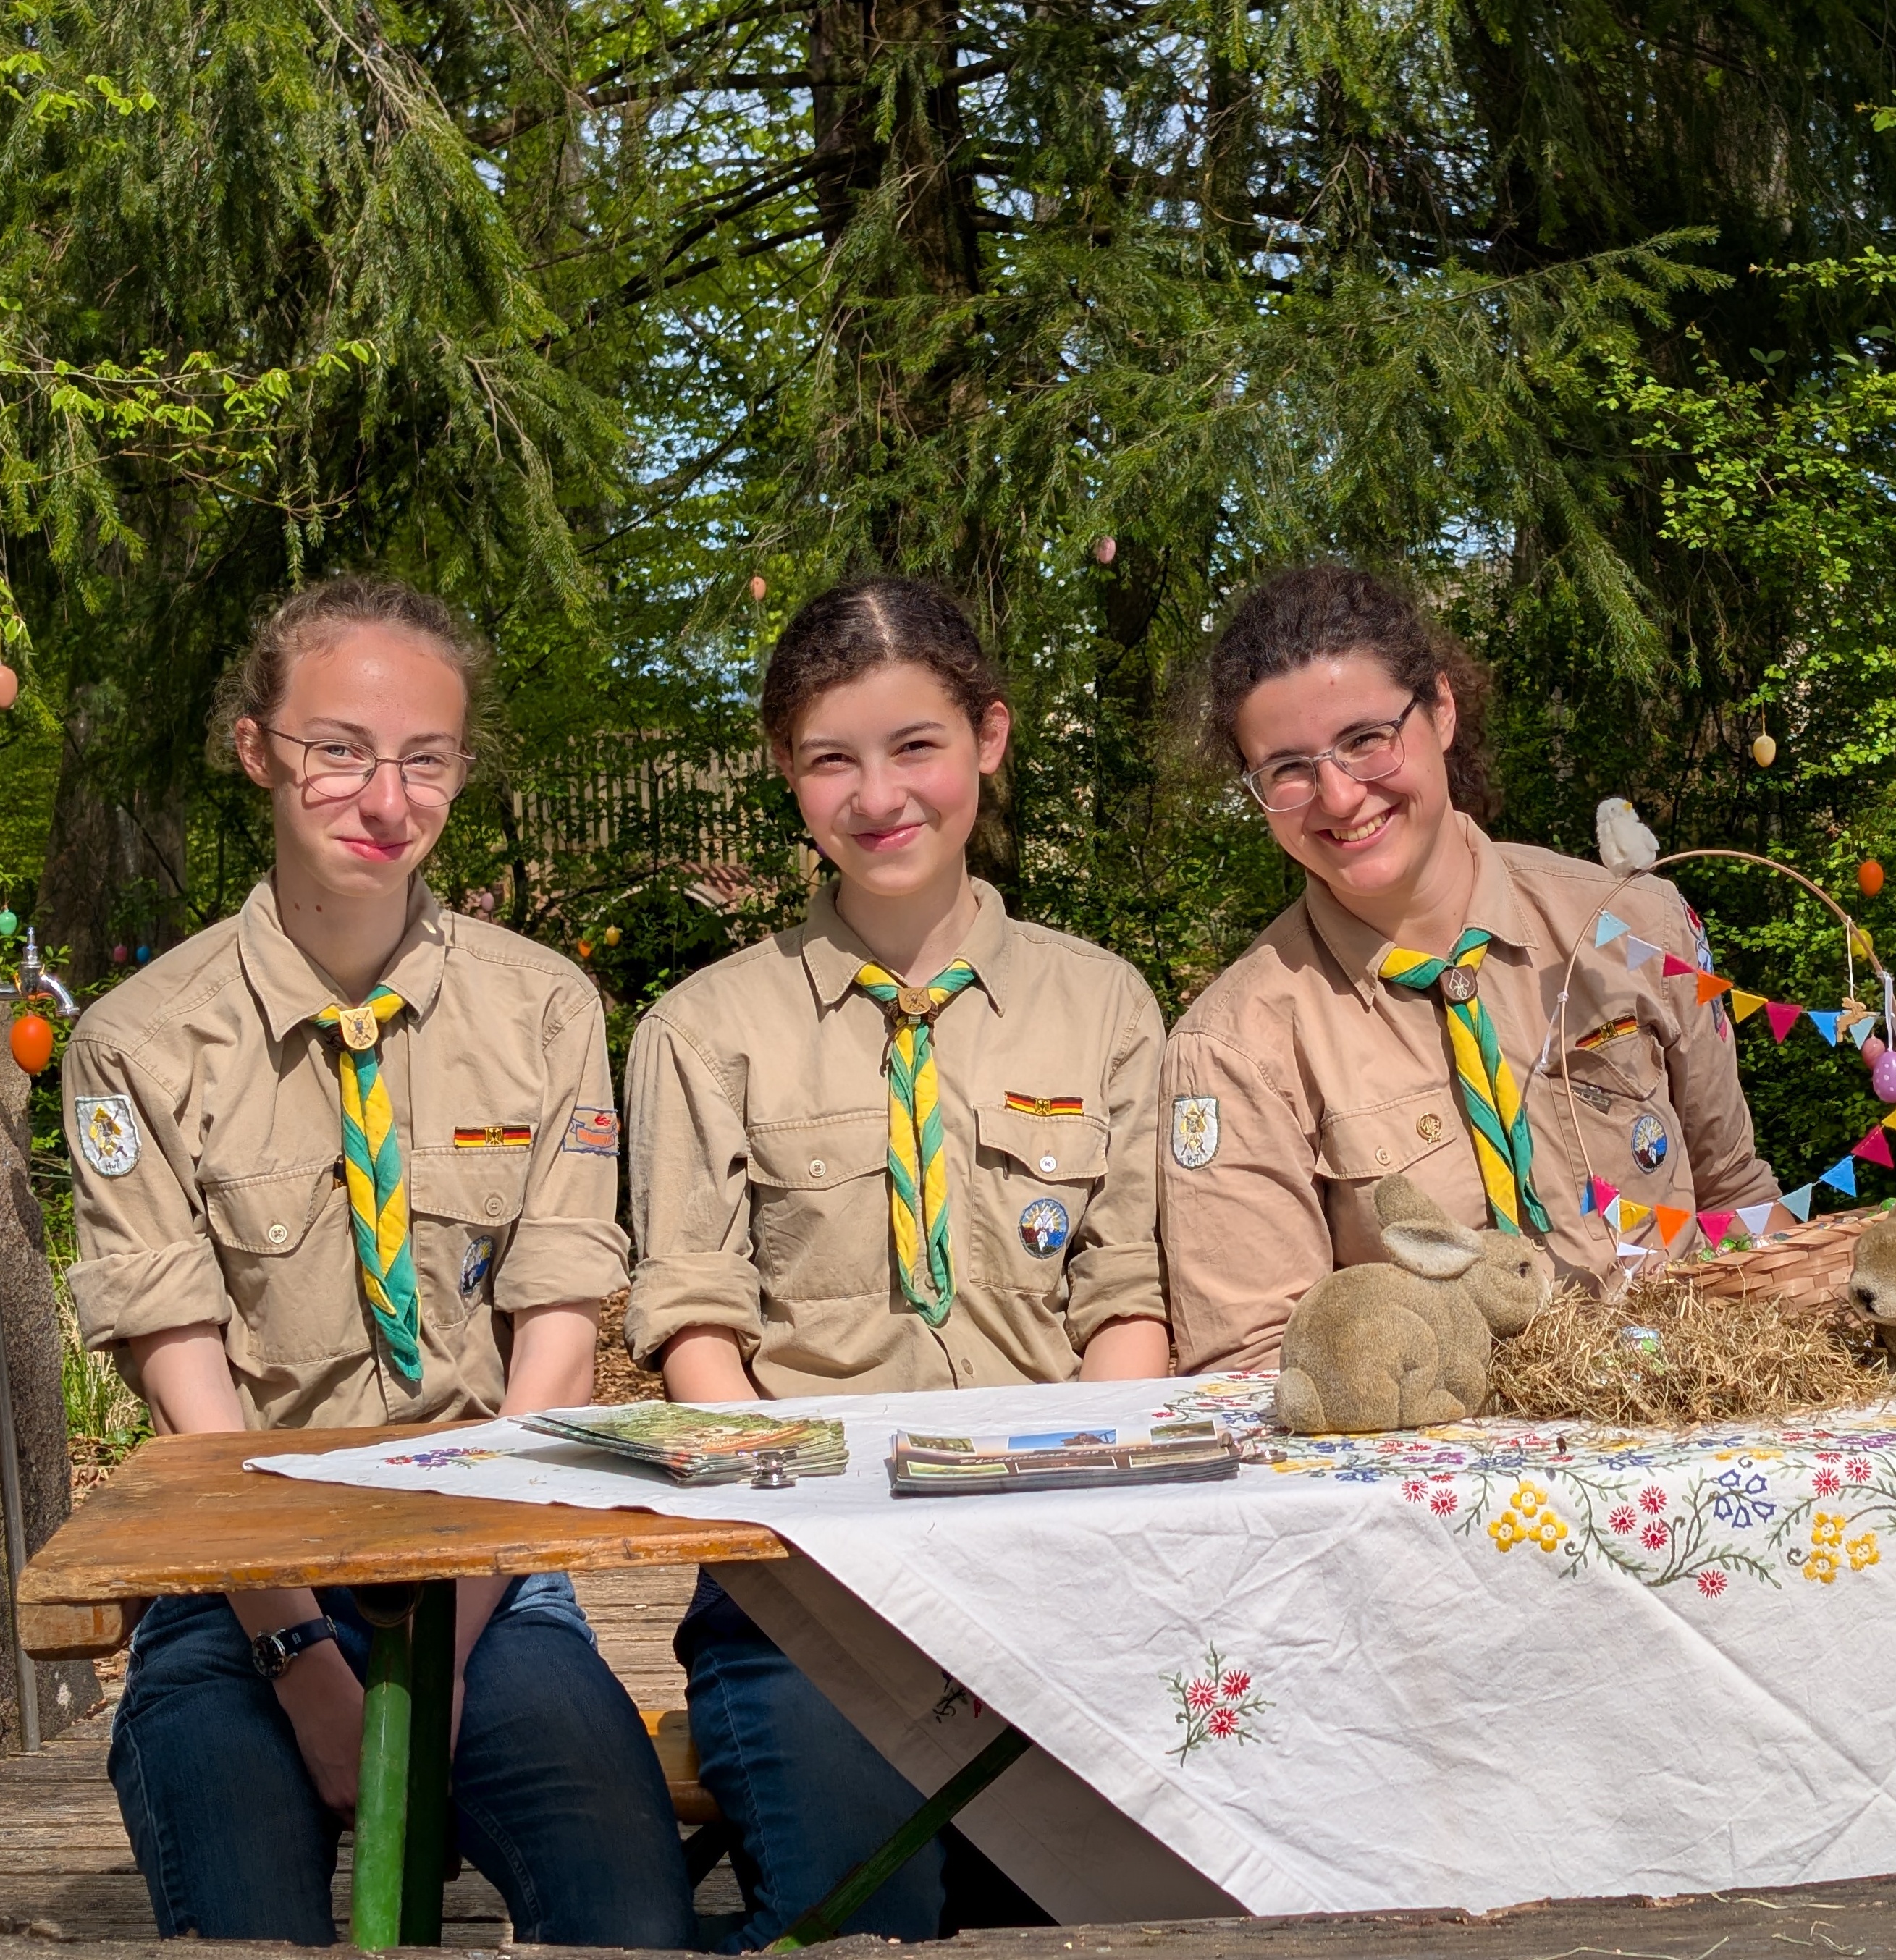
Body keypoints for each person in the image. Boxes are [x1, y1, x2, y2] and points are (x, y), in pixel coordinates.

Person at [62, 576, 696, 1947]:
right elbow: (190, 1398)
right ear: (257, 750)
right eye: (337, 749)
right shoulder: (139, 1043)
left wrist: (446, 1654)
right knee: (247, 1926)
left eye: (426, 759)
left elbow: (555, 1341)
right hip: (238, 1583)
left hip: (486, 1567)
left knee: (628, 1914)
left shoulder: (544, 1007)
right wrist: (300, 1660)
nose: (384, 798)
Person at [623, 575, 1170, 1947]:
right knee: (876, 1920)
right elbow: (696, 1324)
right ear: (787, 777)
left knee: (1115, 1917)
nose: (878, 795)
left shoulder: (1101, 1002)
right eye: (830, 759)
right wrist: (817, 1547)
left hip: (1055, 1562)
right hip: (811, 1594)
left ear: (987, 735)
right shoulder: (703, 1029)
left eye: (914, 745)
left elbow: (1126, 1294)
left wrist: (1076, 1514)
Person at [1161, 563, 1779, 1374]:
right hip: (1425, 1488)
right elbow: (1258, 1368)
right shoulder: (1234, 1048)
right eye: (1288, 769)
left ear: (1442, 711)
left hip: (1683, 1451)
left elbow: (1738, 1200)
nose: (1340, 796)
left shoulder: (1633, 927)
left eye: (1365, 740)